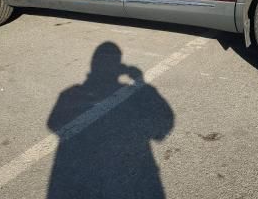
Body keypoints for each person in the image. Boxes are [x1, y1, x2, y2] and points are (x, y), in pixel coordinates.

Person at [46, 42, 174, 198]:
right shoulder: (129, 94)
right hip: (125, 174)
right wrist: (140, 82)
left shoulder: (70, 93)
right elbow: (163, 124)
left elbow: (53, 123)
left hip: (79, 174)